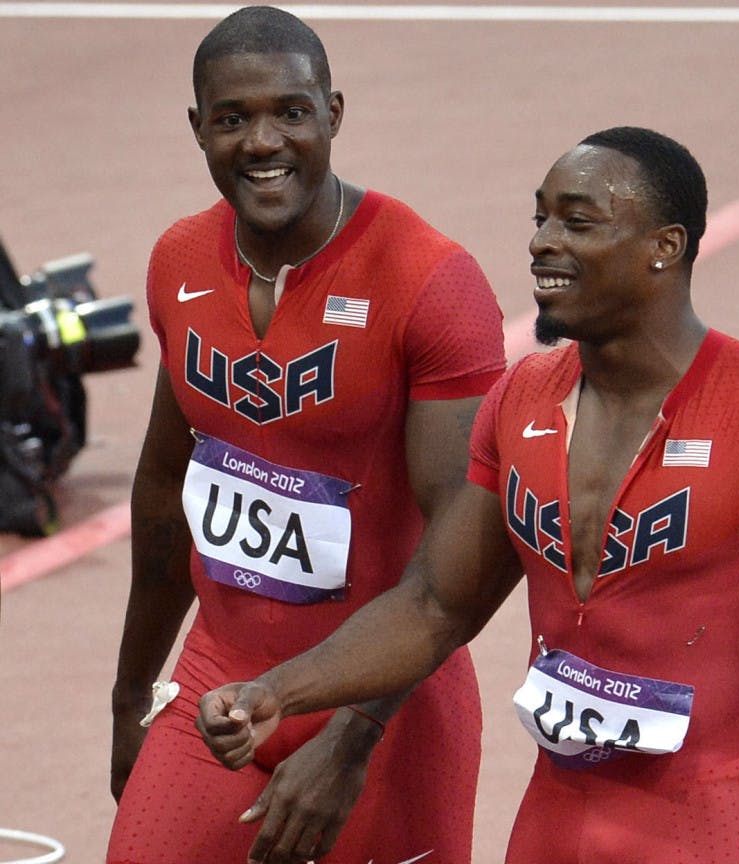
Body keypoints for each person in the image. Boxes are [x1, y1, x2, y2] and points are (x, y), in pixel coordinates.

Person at [197, 126, 739, 863]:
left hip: (710, 823)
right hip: (553, 825)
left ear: (664, 247)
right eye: (540, 218)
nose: (543, 242)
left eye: (577, 222)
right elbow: (435, 607)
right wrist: (279, 693)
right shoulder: (520, 399)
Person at [107, 6, 506, 864]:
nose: (262, 141)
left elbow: (460, 555)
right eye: (232, 118)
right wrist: (132, 692)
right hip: (220, 679)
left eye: (289, 112)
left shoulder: (430, 281)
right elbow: (163, 492)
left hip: (386, 706)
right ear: (197, 128)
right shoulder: (178, 260)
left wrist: (352, 738)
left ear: (332, 112)